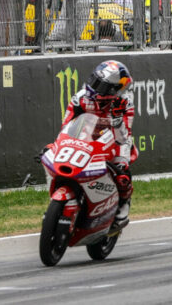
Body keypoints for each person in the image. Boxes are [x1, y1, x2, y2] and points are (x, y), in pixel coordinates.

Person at [61, 60, 136, 227]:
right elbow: (66, 125)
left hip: (113, 141)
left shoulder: (125, 104)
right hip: (85, 139)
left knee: (122, 174)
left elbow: (123, 137)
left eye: (100, 85)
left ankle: (124, 203)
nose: (94, 87)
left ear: (114, 90)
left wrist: (117, 120)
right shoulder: (80, 98)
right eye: (94, 80)